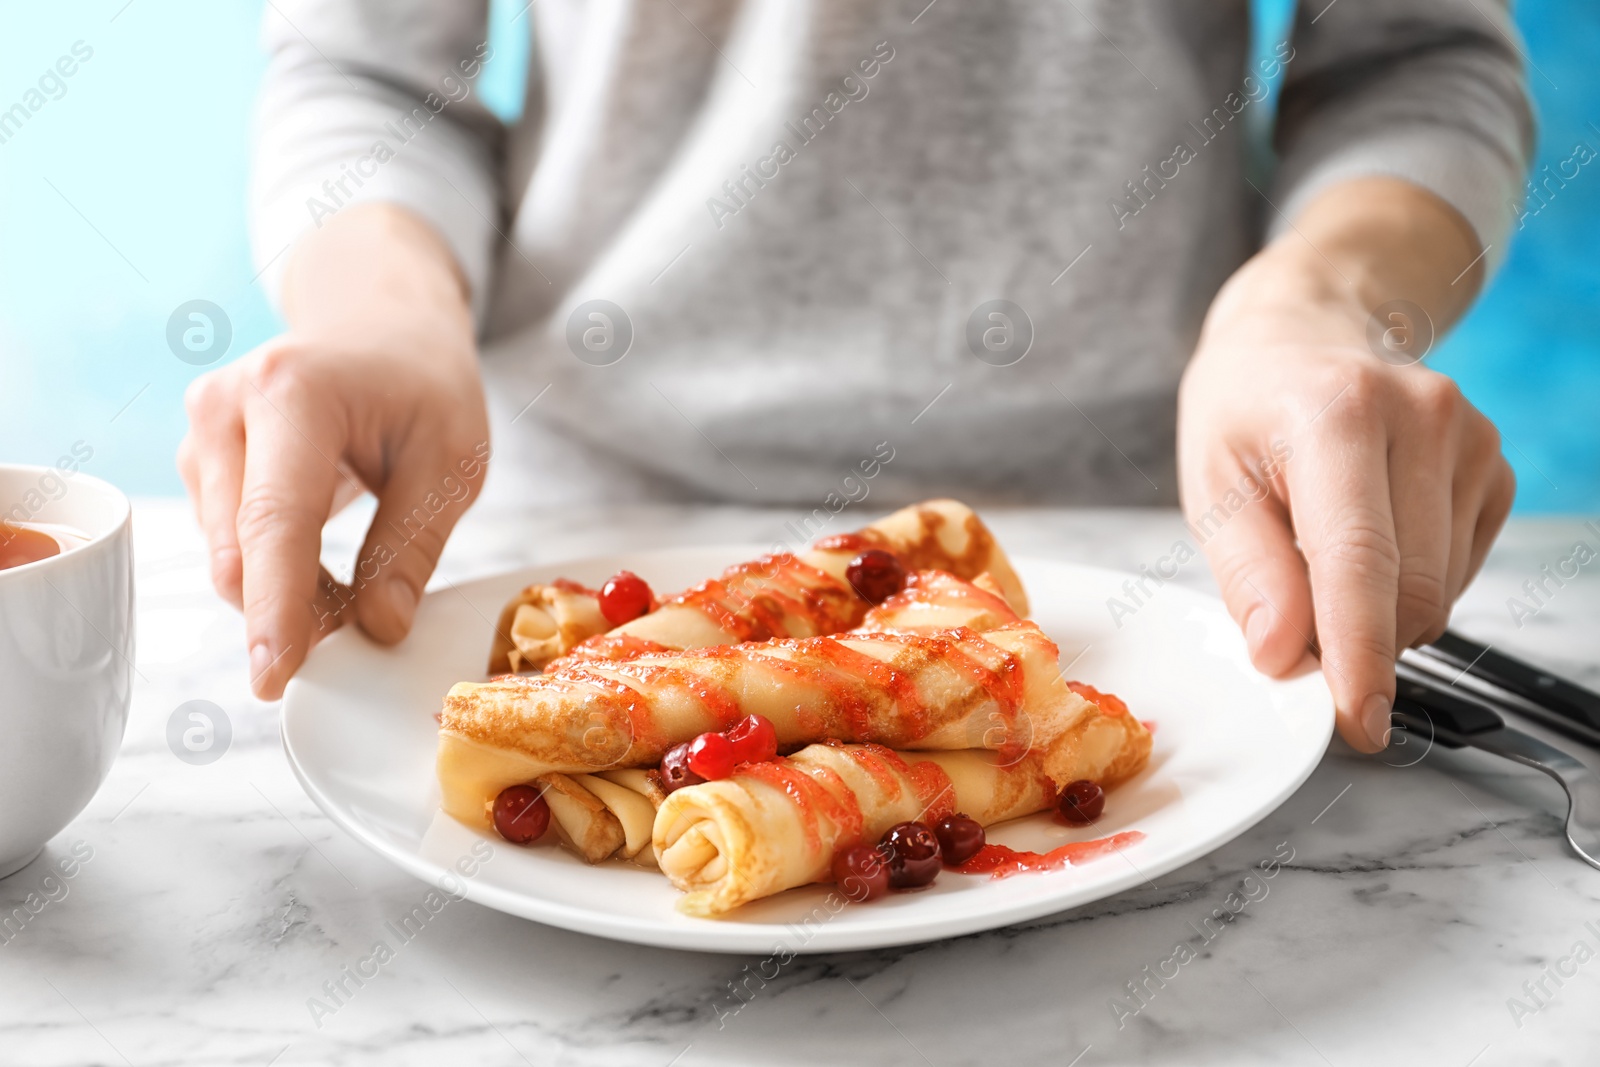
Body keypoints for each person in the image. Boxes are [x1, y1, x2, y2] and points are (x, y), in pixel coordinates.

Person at [177, 0, 1529, 755]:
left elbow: (1417, 61)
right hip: (572, 533)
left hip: (1167, 569)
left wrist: (1311, 306)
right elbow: (363, 63)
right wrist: (385, 309)